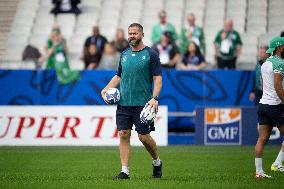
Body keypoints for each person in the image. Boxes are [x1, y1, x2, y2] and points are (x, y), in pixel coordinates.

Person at [101, 23, 163, 179]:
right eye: (130, 33)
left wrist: (154, 98)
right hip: (124, 103)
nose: (132, 36)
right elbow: (118, 76)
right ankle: (124, 171)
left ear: (142, 34)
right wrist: (106, 89)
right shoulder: (124, 54)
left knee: (143, 137)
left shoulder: (151, 54)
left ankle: (156, 161)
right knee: (123, 134)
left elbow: (158, 79)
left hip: (143, 104)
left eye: (135, 33)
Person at [254, 36, 284, 178]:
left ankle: (259, 172)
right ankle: (277, 164)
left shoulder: (265, 63)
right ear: (279, 48)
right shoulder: (280, 63)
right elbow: (278, 86)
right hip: (275, 105)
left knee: (262, 139)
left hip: (263, 104)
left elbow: (264, 84)